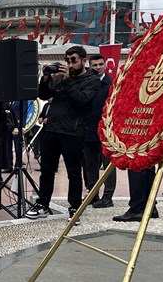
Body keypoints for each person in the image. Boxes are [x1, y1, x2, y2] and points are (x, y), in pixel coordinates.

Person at [25, 46, 99, 220]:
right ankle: (43, 204)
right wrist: (45, 78)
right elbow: (43, 95)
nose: (70, 64)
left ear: (84, 59)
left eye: (73, 60)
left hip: (73, 132)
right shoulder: (61, 79)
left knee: (73, 172)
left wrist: (67, 81)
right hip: (52, 130)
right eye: (67, 61)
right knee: (47, 170)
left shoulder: (92, 80)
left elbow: (81, 100)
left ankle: (74, 207)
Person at [83, 54, 117, 208]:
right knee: (90, 165)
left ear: (105, 65)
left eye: (100, 64)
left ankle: (107, 196)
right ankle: (92, 194)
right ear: (90, 65)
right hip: (87, 130)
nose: (97, 67)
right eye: (94, 65)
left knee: (108, 165)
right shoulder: (86, 82)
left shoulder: (111, 84)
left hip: (105, 131)